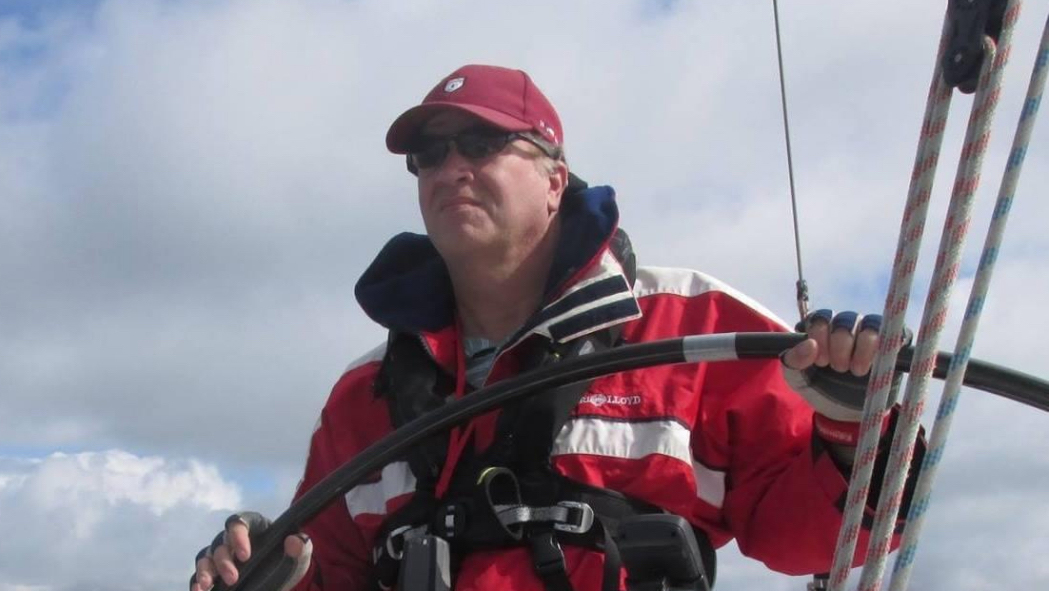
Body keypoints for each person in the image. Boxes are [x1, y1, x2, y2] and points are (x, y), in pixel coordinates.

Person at [191, 64, 920, 591]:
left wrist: (853, 424)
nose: (450, 169)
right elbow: (331, 572)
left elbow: (814, 537)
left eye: (480, 145)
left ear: (553, 180)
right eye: (429, 155)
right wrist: (255, 567)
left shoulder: (690, 325)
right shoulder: (366, 393)